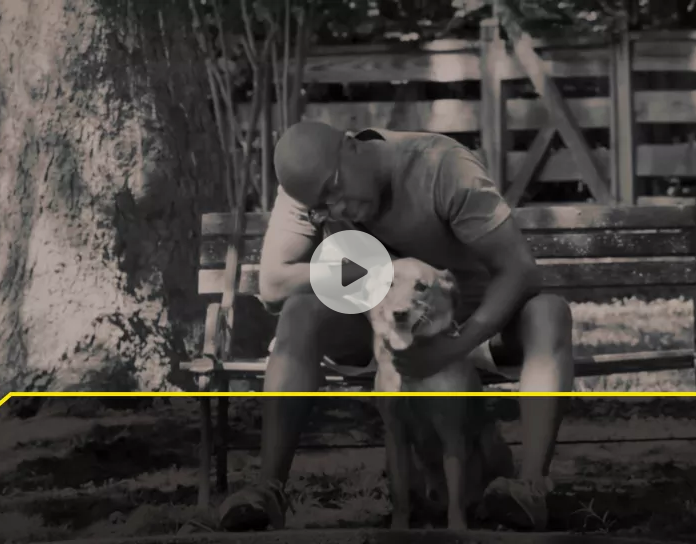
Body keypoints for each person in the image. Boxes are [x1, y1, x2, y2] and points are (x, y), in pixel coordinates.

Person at [216, 121, 575, 531]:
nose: (335, 209)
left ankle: (528, 489)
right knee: (299, 312)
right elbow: (274, 284)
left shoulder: (441, 166)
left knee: (549, 312)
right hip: (379, 329)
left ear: (351, 147)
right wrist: (371, 270)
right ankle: (268, 490)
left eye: (335, 190)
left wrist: (455, 346)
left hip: (475, 322)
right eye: (322, 206)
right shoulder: (308, 183)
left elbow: (519, 270)